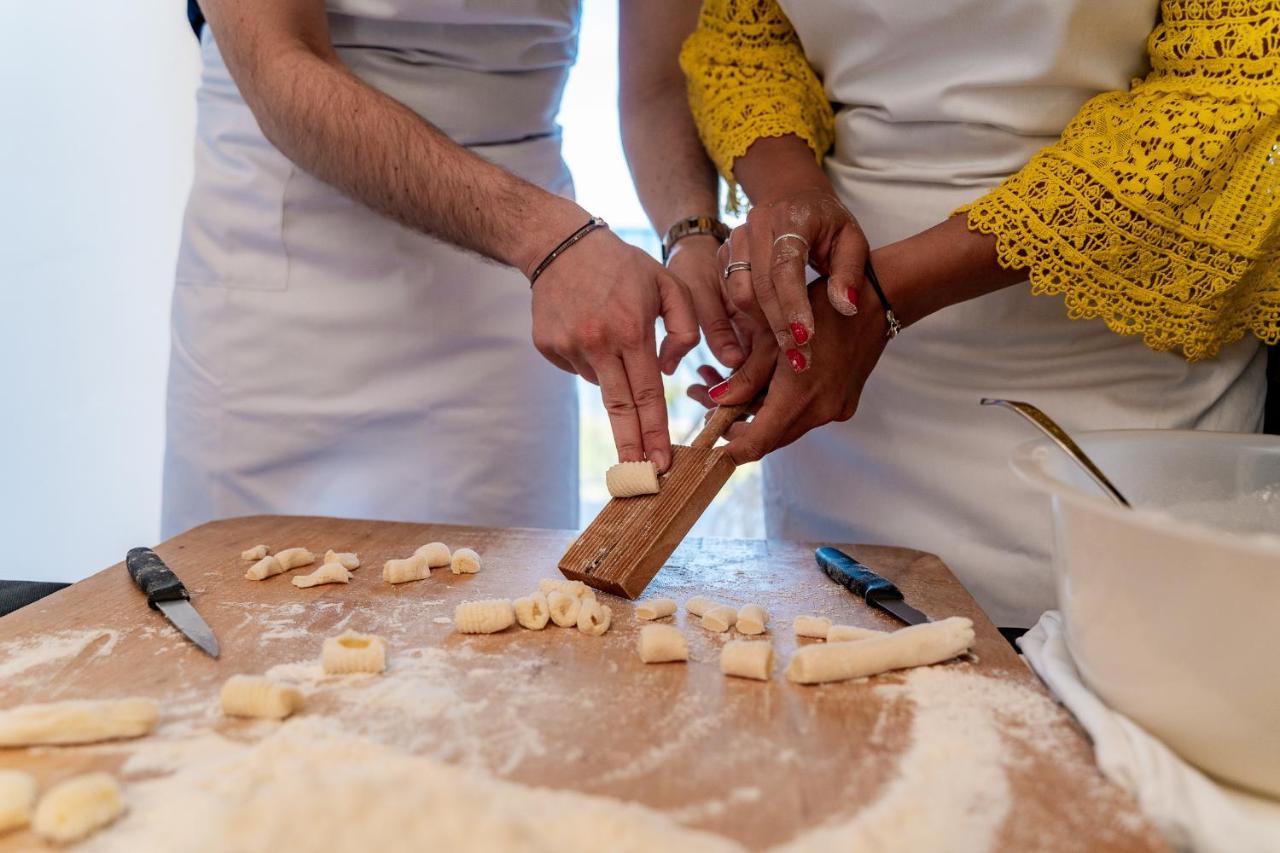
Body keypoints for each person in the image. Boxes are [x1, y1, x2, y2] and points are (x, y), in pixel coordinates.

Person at [681, 0, 1280, 628]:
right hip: (837, 383)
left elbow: (1231, 92)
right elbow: (751, 42)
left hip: (1110, 398)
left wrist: (888, 293)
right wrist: (793, 203)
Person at [161, 1, 730, 538]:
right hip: (292, 247)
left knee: (504, 603)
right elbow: (278, 65)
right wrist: (546, 237)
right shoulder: (544, 237)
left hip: (516, 291)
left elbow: (661, 83)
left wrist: (692, 233)